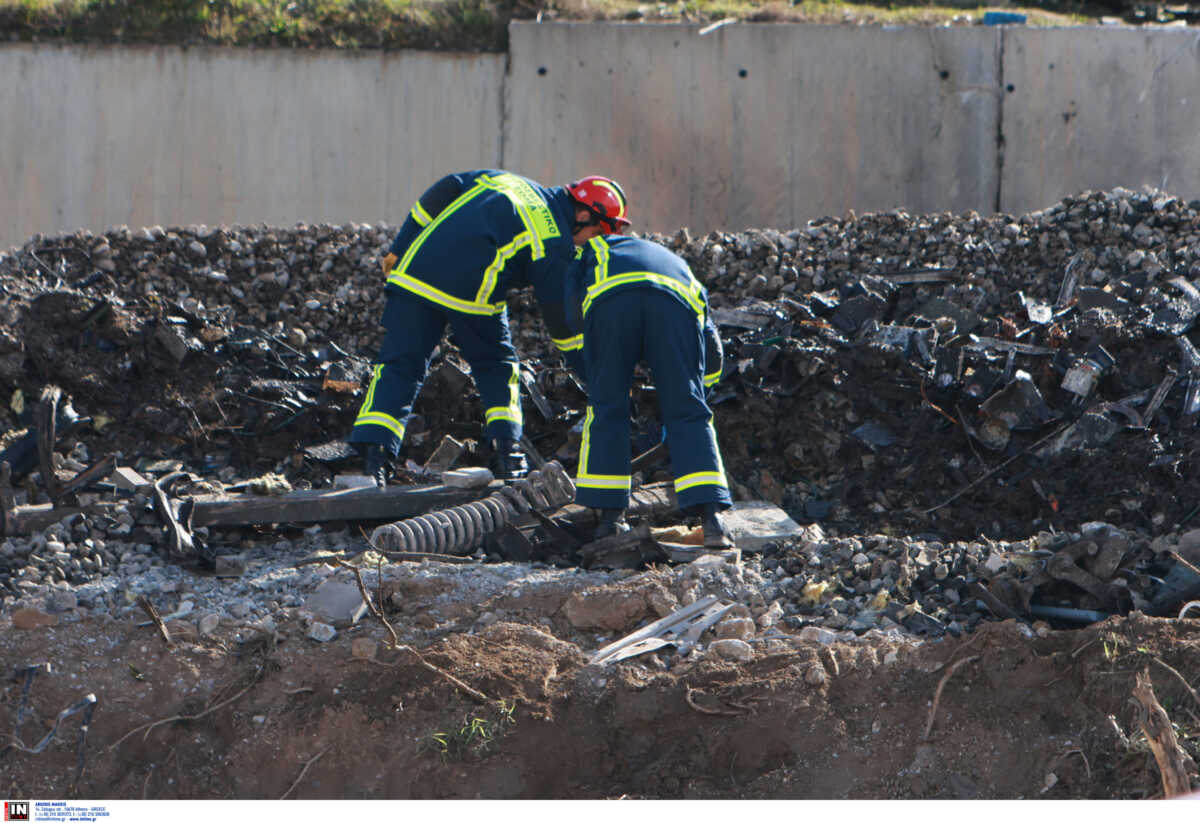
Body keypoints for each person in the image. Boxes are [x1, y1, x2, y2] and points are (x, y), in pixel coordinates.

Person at [349, 170, 629, 486]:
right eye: (597, 233)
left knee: (400, 365)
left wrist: (401, 245)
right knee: (497, 365)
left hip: (413, 272)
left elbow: (446, 187)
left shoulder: (509, 181)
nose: (589, 244)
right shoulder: (553, 242)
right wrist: (597, 375)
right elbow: (563, 328)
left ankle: (375, 459)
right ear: (582, 215)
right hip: (470, 289)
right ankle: (510, 458)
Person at [564, 232, 733, 547]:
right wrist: (698, 396)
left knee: (607, 409)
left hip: (611, 303)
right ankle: (713, 524)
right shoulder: (678, 265)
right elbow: (711, 348)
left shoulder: (593, 250)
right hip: (675, 306)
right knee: (689, 411)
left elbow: (572, 312)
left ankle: (609, 522)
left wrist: (596, 367)